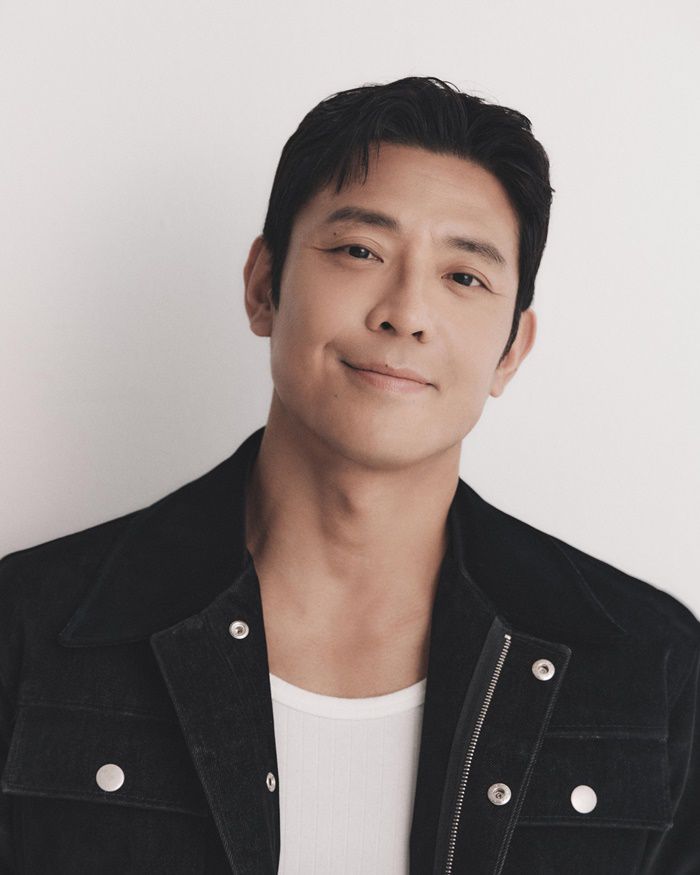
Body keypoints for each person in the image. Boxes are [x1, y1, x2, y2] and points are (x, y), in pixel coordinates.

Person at [0, 75, 698, 875]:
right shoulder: (35, 628)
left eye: (464, 277)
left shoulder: (651, 668)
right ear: (263, 286)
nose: (405, 312)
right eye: (360, 251)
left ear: (512, 349)